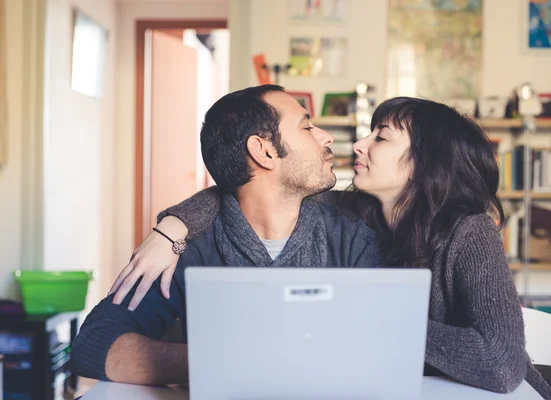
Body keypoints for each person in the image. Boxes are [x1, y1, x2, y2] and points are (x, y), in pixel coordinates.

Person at [109, 97, 551, 399]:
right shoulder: (354, 213)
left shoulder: (469, 232)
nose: (358, 145)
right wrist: (173, 226)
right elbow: (249, 187)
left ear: (426, 165)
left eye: (380, 137)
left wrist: (375, 319)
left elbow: (502, 365)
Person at [71, 85, 381, 385]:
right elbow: (94, 345)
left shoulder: (351, 233)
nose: (325, 136)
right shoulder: (190, 249)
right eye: (306, 127)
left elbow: (380, 347)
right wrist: (223, 362)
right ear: (264, 151)